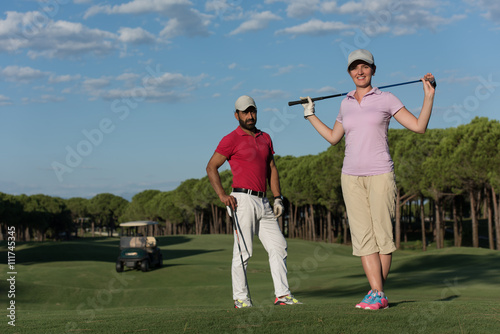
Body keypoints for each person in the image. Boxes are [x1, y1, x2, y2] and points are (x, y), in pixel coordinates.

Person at [302, 49, 435, 310]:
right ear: (349, 73)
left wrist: (428, 97)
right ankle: (378, 294)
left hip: (381, 174)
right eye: (354, 68)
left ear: (374, 70)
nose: (360, 72)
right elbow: (333, 137)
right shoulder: (346, 103)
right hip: (350, 177)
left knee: (382, 237)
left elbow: (419, 126)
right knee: (363, 239)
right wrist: (310, 115)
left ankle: (376, 293)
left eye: (365, 67)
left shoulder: (387, 98)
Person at [206, 95, 302, 308]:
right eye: (245, 112)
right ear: (236, 115)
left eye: (253, 111)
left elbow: (272, 168)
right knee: (243, 252)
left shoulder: (265, 137)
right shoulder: (231, 139)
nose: (250, 116)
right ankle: (241, 299)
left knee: (279, 246)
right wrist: (222, 195)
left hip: (263, 201)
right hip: (241, 201)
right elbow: (211, 167)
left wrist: (278, 198)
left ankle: (283, 296)